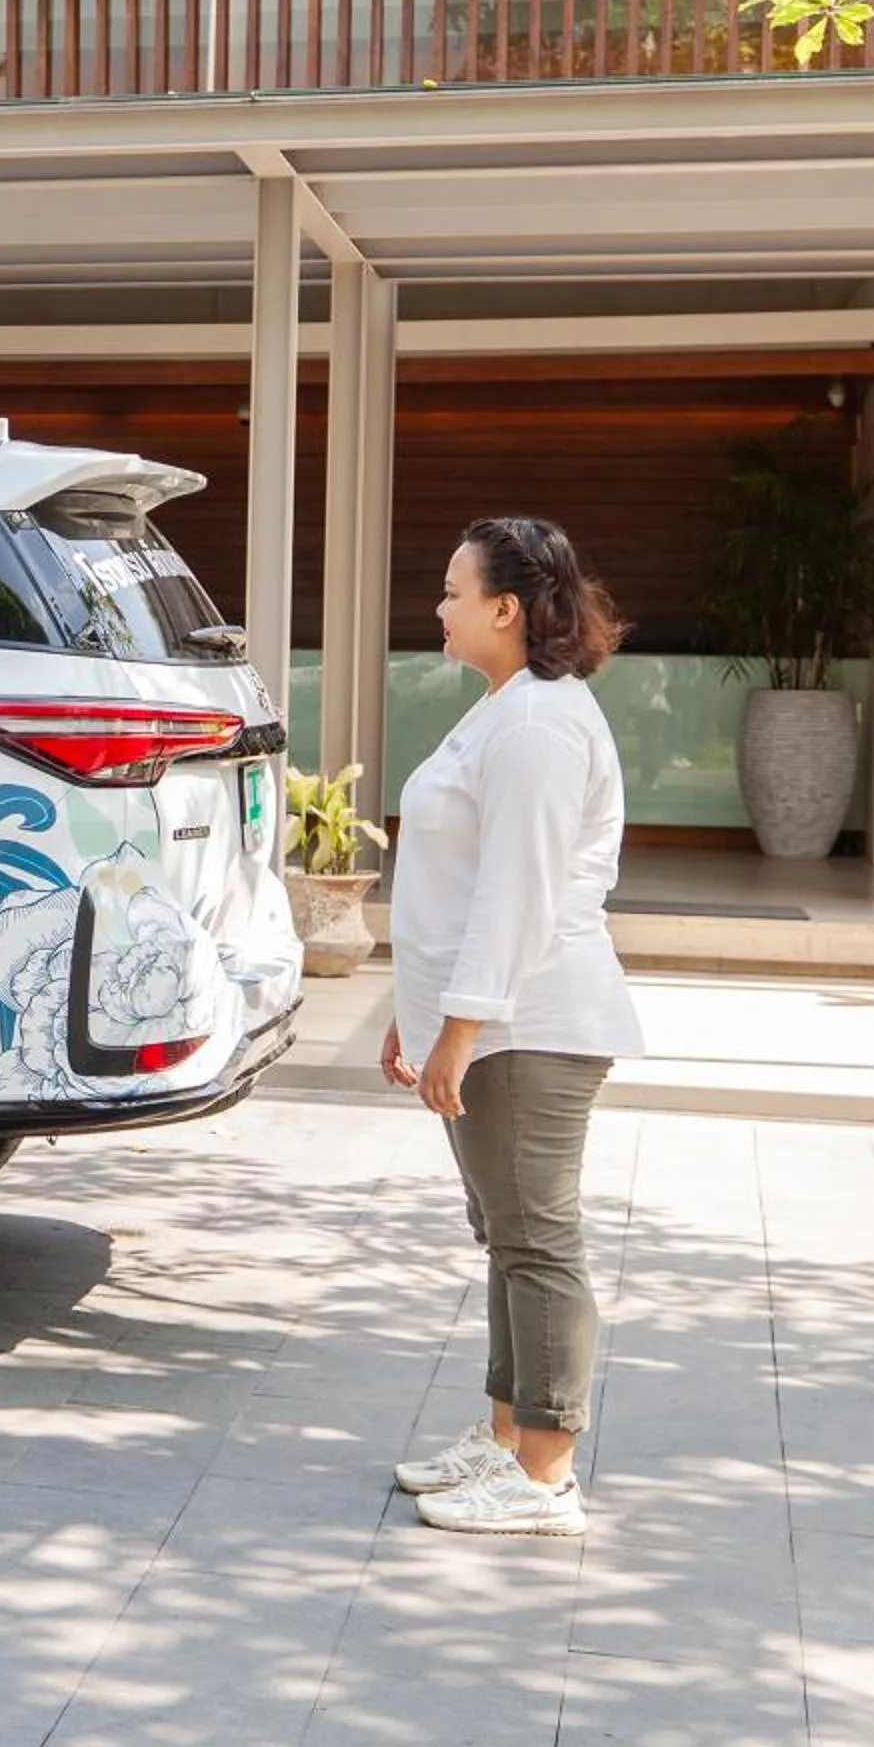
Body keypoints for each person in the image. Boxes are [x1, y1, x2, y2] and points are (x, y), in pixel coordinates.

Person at [383, 515, 642, 1538]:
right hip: (496, 1020)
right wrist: (421, 1021)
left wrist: (459, 1029)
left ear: (505, 607)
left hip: (530, 1021)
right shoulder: (506, 708)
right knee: (507, 1237)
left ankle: (545, 1473)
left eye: (453, 592)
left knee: (537, 1240)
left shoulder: (536, 721)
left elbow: (515, 895)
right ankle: (502, 1440)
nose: (438, 608)